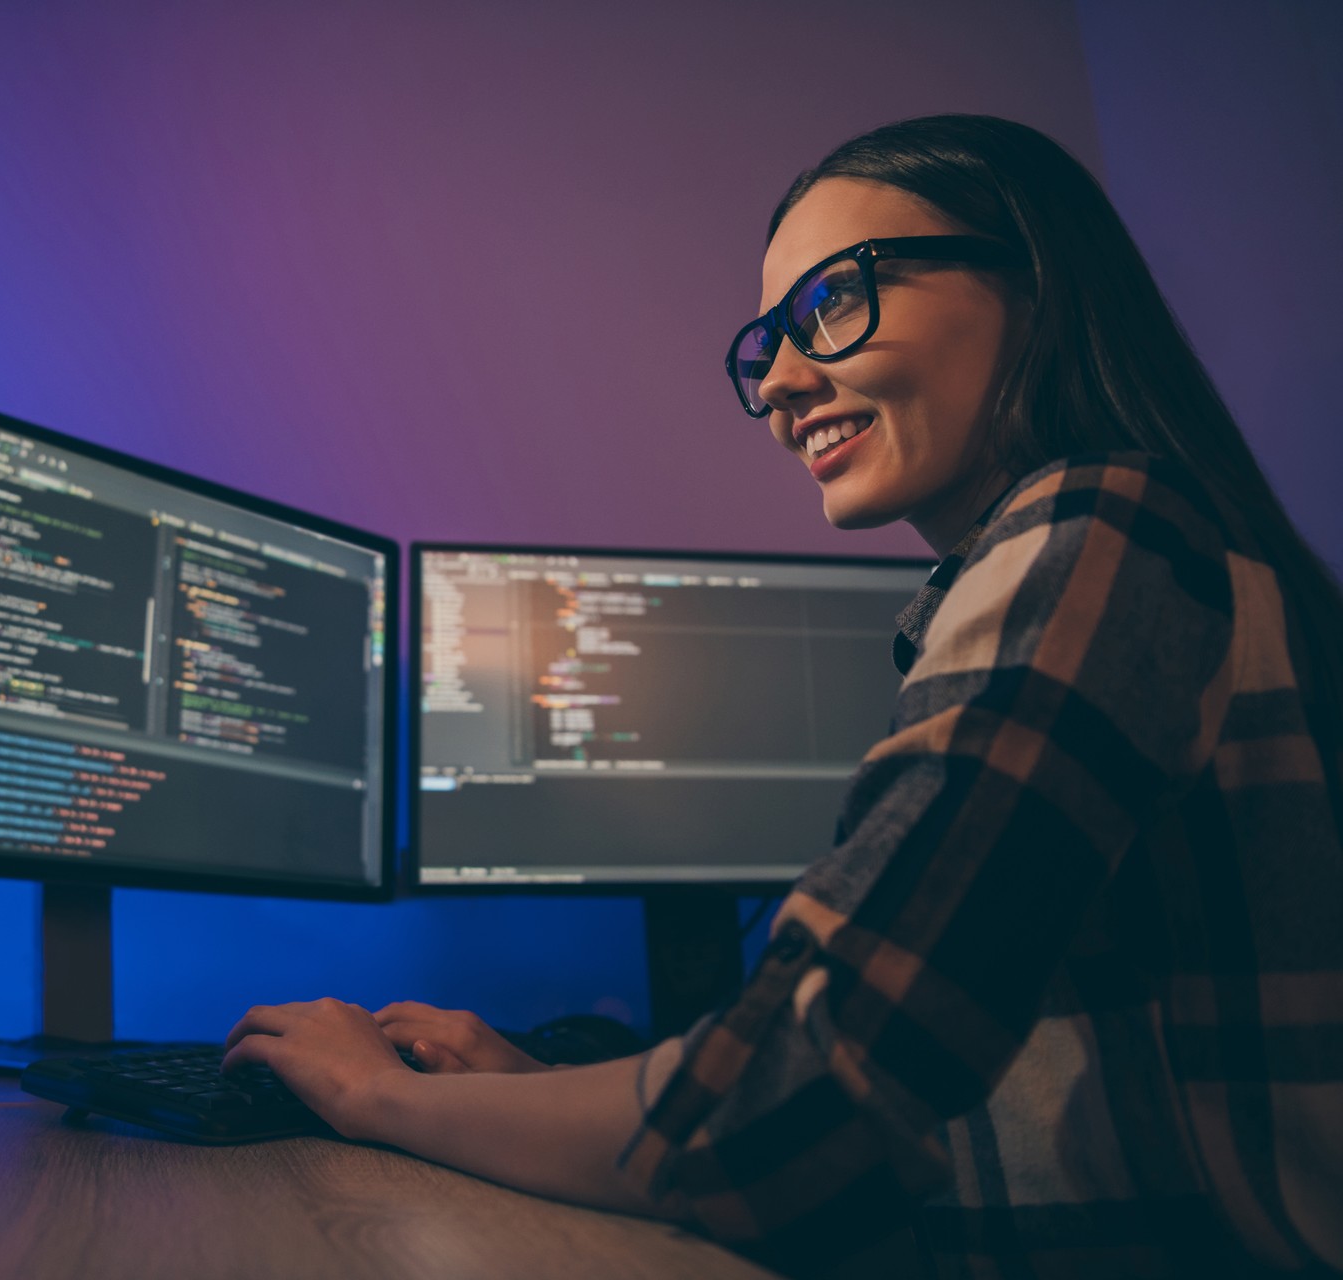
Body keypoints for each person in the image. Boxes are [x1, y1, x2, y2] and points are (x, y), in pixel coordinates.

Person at [220, 114, 1343, 1278]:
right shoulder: (1153, 541)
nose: (784, 386)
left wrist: (374, 1096)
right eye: (769, 345)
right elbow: (919, 1117)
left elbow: (795, 1111)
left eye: (832, 305)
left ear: (1038, 285)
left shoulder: (1096, 536)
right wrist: (553, 1098)